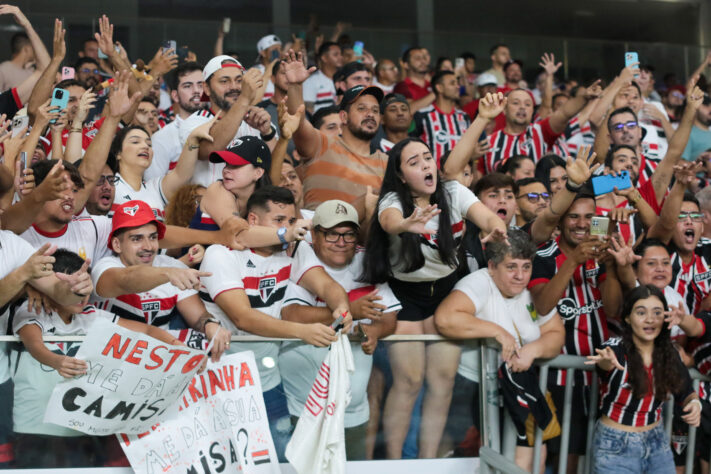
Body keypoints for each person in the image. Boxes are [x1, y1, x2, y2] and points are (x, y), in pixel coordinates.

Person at [360, 137, 507, 459]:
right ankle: (396, 463)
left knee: (442, 384)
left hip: (445, 293)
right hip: (405, 297)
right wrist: (406, 224)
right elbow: (388, 221)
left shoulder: (453, 192)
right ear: (400, 176)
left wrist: (495, 228)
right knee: (409, 382)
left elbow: (485, 216)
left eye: (427, 157)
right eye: (414, 162)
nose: (426, 164)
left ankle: (427, 463)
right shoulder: (392, 200)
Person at [198, 185, 352, 460]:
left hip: (266, 378)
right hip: (218, 380)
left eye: (292, 221)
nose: (288, 228)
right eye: (279, 221)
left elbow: (327, 285)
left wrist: (341, 307)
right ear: (253, 221)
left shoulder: (292, 250)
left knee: (279, 459)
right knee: (225, 460)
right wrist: (302, 332)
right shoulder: (221, 253)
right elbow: (242, 317)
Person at [10, 248, 187, 468]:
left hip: (79, 429)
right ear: (53, 286)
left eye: (86, 288)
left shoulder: (91, 315)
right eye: (75, 288)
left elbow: (148, 332)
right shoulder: (32, 309)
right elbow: (33, 343)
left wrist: (176, 346)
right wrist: (55, 361)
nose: (83, 295)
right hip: (35, 427)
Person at [435, 229, 565, 472]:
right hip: (474, 392)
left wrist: (532, 350)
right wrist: (497, 332)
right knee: (478, 463)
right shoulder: (479, 282)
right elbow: (445, 318)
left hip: (519, 388)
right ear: (492, 266)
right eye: (511, 267)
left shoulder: (532, 290)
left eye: (526, 267)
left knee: (533, 456)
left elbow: (556, 335)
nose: (520, 276)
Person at [280, 200, 399, 460]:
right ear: (314, 234)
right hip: (302, 409)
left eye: (348, 233)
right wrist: (352, 311)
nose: (341, 241)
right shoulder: (303, 260)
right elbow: (292, 315)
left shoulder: (367, 262)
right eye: (332, 233)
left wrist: (375, 332)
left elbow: (390, 316)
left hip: (353, 412)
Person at [529, 190, 623, 469]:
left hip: (599, 376)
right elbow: (543, 306)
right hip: (558, 377)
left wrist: (611, 269)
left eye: (589, 217)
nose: (582, 224)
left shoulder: (599, 254)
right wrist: (573, 261)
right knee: (563, 457)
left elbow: (614, 309)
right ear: (560, 221)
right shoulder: (543, 255)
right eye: (573, 217)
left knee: (594, 456)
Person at [91, 199, 231, 355]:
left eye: (152, 237)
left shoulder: (173, 267)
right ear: (117, 245)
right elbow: (126, 279)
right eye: (137, 239)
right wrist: (167, 274)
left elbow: (198, 317)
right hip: (109, 359)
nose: (148, 247)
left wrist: (210, 325)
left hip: (160, 361)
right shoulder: (104, 267)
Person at [586, 285, 700, 474]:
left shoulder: (669, 352)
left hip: (657, 441)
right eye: (641, 312)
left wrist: (695, 403)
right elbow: (605, 362)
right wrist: (606, 362)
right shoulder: (616, 348)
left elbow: (686, 391)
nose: (650, 319)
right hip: (616, 444)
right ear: (627, 318)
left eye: (657, 313)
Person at [285, 49, 388, 218]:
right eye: (361, 109)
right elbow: (297, 120)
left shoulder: (386, 163)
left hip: (363, 242)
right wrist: (295, 86)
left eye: (375, 110)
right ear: (343, 116)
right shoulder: (321, 144)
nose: (370, 114)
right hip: (316, 238)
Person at [178, 55, 276, 187]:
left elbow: (276, 168)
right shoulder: (194, 122)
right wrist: (245, 99)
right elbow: (210, 148)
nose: (234, 87)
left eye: (239, 80)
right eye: (224, 81)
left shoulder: (256, 119)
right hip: (207, 205)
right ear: (206, 88)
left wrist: (267, 133)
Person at [482, 83, 600, 174]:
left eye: (528, 104)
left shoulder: (540, 131)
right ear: (504, 109)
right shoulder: (489, 142)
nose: (522, 107)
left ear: (532, 111)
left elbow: (563, 113)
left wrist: (584, 97)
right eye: (516, 103)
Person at [145, 61, 205, 180]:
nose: (196, 91)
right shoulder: (161, 138)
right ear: (175, 96)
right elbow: (154, 188)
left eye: (201, 85)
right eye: (188, 86)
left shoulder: (220, 128)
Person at [414, 70, 470, 162]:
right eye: (452, 83)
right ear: (439, 88)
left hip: (460, 175)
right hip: (433, 175)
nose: (458, 86)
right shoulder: (423, 116)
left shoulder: (464, 117)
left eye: (457, 83)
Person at [0, 5, 49, 91]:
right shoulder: (3, 69)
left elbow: (47, 70)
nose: (36, 52)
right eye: (33, 48)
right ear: (26, 48)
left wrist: (27, 25)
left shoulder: (31, 71)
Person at [302, 41, 342, 114]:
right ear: (324, 58)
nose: (340, 57)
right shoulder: (311, 81)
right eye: (336, 55)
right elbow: (308, 111)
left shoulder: (343, 79)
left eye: (340, 54)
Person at [393, 47, 434, 112]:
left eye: (424, 58)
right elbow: (408, 109)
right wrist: (437, 93)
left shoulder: (432, 84)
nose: (423, 61)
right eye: (417, 58)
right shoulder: (401, 86)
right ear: (406, 65)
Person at [682, 94, 711, 162]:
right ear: (694, 108)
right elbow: (678, 164)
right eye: (706, 105)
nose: (710, 108)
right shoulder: (687, 133)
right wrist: (701, 163)